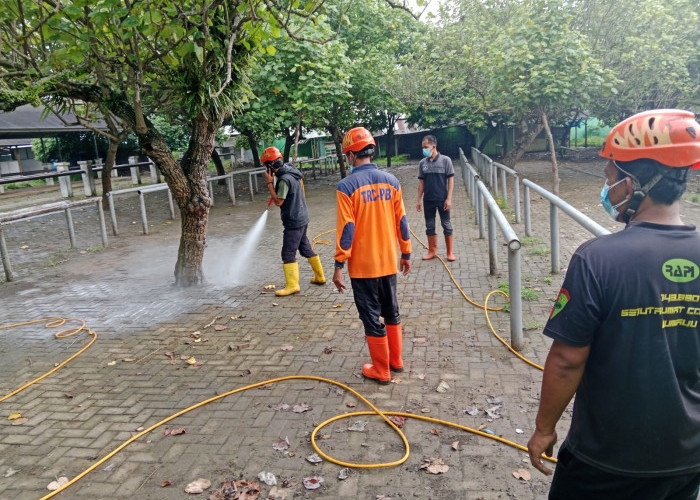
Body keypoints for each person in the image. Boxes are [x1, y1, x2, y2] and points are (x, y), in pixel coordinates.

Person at [527, 109, 700, 500]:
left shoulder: (596, 259)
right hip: (686, 456)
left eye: (610, 179)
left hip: (605, 458)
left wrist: (544, 429)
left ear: (634, 184)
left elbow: (567, 360)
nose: (607, 189)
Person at [332, 127, 412, 384]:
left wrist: (338, 264)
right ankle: (396, 361)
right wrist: (406, 253)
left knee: (370, 317)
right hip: (389, 261)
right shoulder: (392, 182)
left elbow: (347, 229)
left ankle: (381, 370)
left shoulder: (346, 186)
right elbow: (402, 221)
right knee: (391, 311)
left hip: (363, 267)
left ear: (351, 155)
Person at [262, 146, 325, 296]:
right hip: (303, 217)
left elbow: (279, 202)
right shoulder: (291, 171)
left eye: (265, 166)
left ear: (270, 166)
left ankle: (292, 285)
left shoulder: (284, 180)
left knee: (288, 253)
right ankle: (320, 277)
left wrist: (269, 183)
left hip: (294, 221)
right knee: (305, 248)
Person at [416, 134, 456, 261]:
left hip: (442, 199)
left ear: (434, 146)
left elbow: (451, 180)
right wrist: (418, 200)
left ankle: (450, 253)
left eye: (426, 147)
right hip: (428, 200)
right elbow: (421, 183)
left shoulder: (445, 161)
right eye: (423, 147)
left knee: (446, 225)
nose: (424, 150)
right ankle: (432, 251)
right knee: (430, 226)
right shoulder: (422, 163)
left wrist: (449, 199)